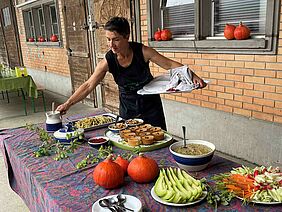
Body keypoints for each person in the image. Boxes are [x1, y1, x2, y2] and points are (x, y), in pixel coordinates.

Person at [56, 17, 206, 130]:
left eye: (116, 40)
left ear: (127, 36)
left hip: (151, 108)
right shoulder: (108, 61)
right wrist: (68, 103)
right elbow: (89, 85)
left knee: (159, 143)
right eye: (108, 40)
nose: (111, 45)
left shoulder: (143, 52)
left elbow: (170, 64)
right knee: (132, 145)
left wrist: (192, 75)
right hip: (128, 109)